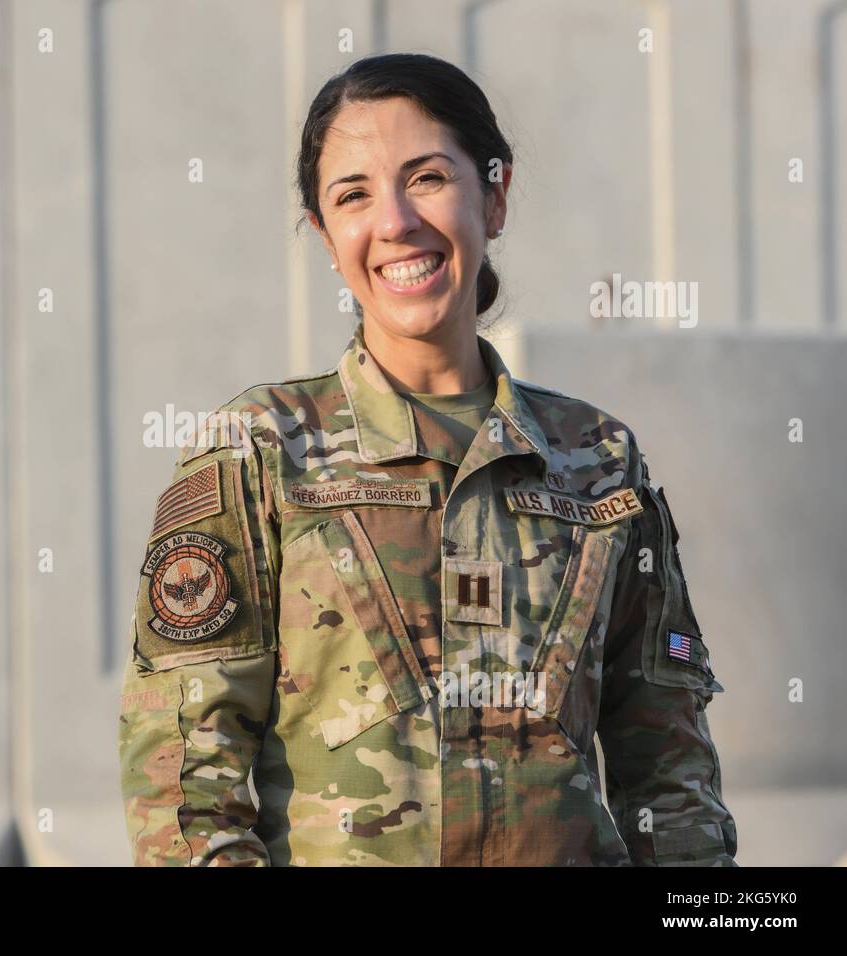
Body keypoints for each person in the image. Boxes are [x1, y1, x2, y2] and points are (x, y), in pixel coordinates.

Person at [116, 52, 737, 866]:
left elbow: (669, 773)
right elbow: (187, 783)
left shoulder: (598, 460)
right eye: (353, 196)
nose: (396, 221)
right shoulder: (259, 451)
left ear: (496, 193)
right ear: (326, 237)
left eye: (429, 178)